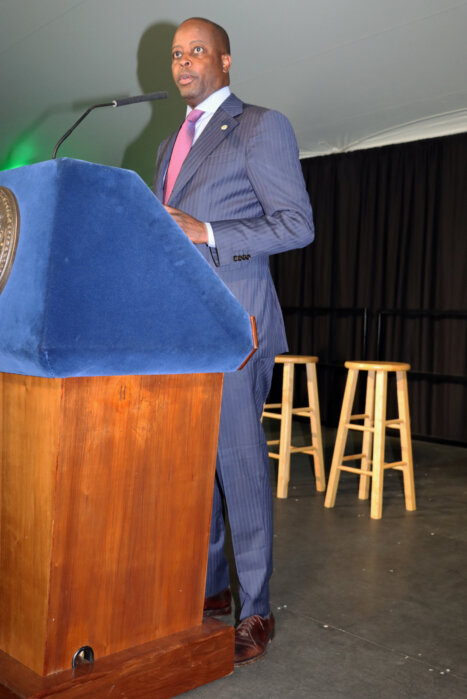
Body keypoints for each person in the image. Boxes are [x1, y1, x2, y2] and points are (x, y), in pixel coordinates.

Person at [153, 17, 314, 665]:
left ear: (224, 61)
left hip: (235, 324)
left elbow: (295, 225)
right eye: (175, 55)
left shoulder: (259, 126)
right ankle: (213, 588)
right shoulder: (169, 144)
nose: (184, 62)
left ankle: (255, 610)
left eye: (196, 51)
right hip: (179, 329)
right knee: (193, 467)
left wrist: (209, 231)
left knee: (238, 466)